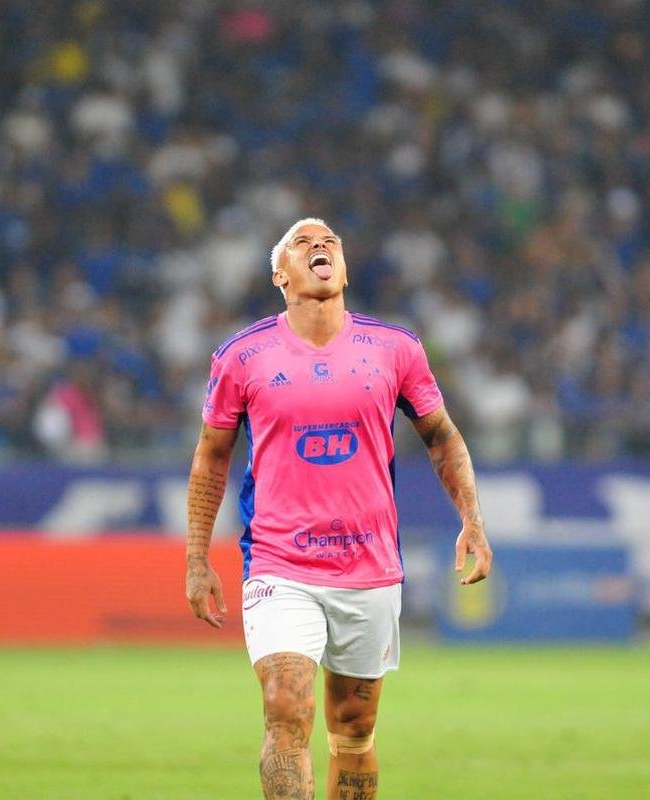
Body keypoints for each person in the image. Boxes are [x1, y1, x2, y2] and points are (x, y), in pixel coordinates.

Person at [185, 219, 492, 799]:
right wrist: (197, 557)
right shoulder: (241, 356)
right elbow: (210, 458)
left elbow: (443, 438)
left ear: (344, 267)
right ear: (280, 274)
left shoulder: (395, 348)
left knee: (353, 728)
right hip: (280, 564)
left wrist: (472, 520)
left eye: (330, 241)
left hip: (369, 565)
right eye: (302, 242)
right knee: (284, 703)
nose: (320, 245)